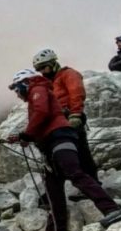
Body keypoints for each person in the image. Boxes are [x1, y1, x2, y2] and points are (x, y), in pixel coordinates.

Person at [7, 69, 121, 231]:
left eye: (17, 88)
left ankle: (112, 209)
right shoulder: (38, 91)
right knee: (52, 189)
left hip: (59, 138)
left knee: (74, 173)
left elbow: (42, 112)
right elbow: (41, 120)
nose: (17, 94)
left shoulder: (37, 89)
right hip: (52, 144)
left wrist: (26, 134)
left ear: (24, 83)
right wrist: (24, 137)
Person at [31, 47, 98, 180]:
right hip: (58, 121)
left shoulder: (68, 74)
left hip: (70, 117)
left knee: (81, 151)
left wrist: (76, 114)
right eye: (39, 69)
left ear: (52, 63)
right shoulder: (49, 81)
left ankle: (92, 181)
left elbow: (76, 93)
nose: (42, 72)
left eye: (44, 67)